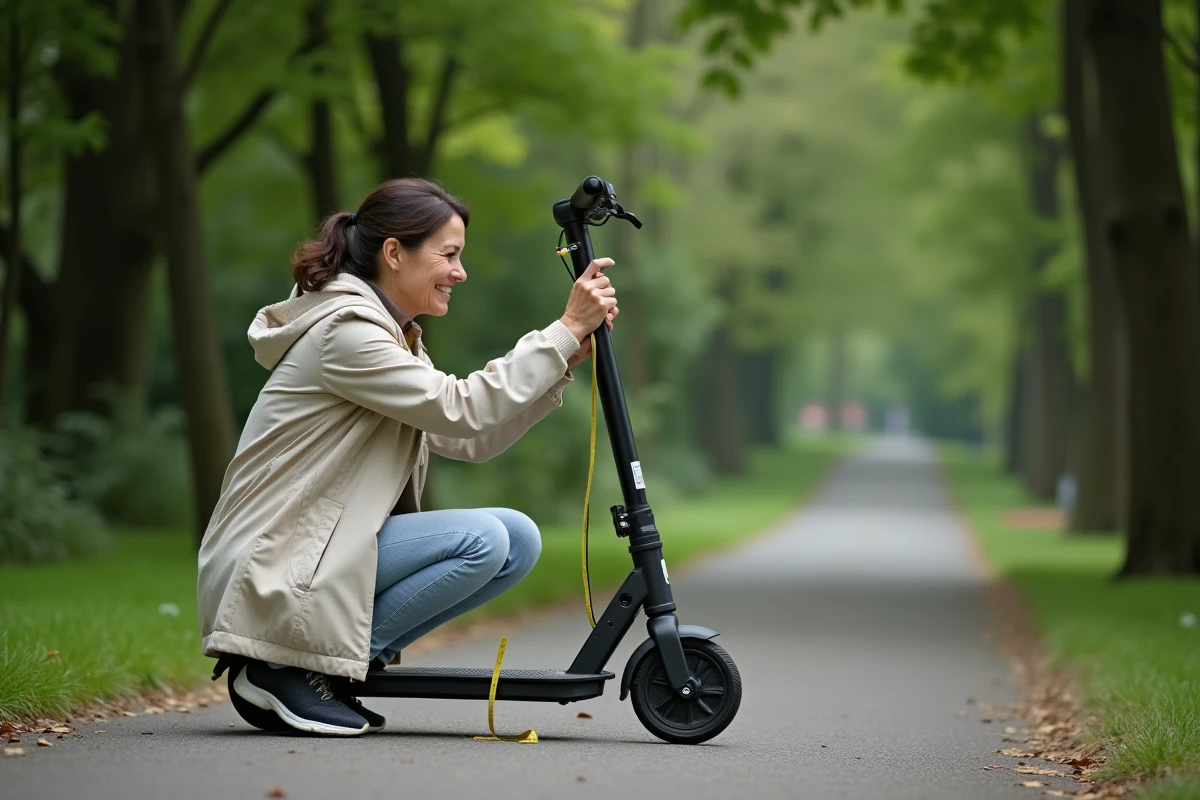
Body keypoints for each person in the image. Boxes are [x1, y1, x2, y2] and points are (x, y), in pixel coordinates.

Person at [197, 177, 618, 736]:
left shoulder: (388, 336)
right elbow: (459, 409)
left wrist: (559, 361)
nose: (460, 272)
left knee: (517, 538)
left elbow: (468, 438)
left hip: (316, 544)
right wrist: (562, 331)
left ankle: (330, 666)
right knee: (484, 540)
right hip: (280, 552)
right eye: (449, 255)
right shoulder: (346, 333)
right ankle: (281, 663)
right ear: (395, 253)